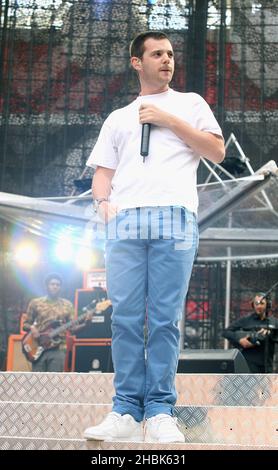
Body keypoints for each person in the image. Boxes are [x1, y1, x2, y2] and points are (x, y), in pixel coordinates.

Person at [84, 31, 225, 443]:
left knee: (164, 318)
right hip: (125, 221)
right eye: (157, 54)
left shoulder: (190, 103)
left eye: (169, 54)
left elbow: (215, 151)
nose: (167, 60)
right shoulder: (118, 117)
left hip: (175, 219)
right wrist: (103, 205)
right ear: (136, 62)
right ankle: (126, 410)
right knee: (126, 318)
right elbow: (103, 173)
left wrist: (169, 121)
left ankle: (161, 410)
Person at [23, 273, 74, 372]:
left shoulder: (68, 305)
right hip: (38, 347)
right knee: (38, 382)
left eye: (58, 285)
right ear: (47, 286)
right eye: (52, 284)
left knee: (54, 384)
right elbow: (25, 324)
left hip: (58, 348)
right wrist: (32, 329)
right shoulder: (35, 303)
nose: (55, 287)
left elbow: (72, 327)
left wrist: (86, 321)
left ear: (60, 287)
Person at [223, 293, 278, 373]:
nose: (259, 306)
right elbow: (226, 332)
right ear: (253, 305)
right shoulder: (246, 320)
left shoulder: (274, 322)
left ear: (267, 305)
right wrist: (240, 340)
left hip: (267, 364)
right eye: (256, 304)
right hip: (249, 363)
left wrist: (270, 333)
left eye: (262, 303)